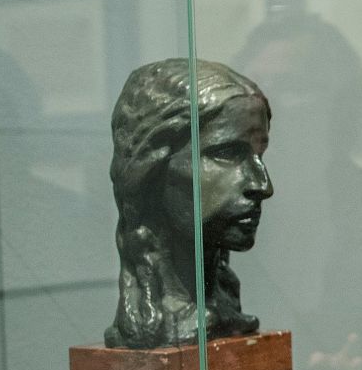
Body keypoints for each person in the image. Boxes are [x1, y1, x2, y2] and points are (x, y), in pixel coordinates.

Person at [105, 57, 275, 349]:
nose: (262, 185)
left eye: (260, 154)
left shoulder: (224, 317)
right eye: (227, 153)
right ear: (151, 167)